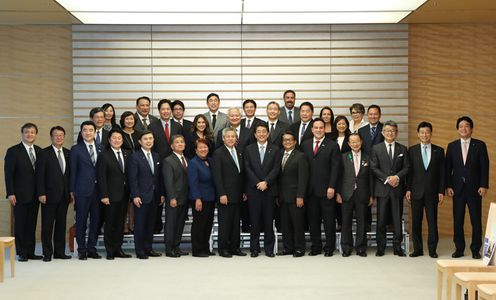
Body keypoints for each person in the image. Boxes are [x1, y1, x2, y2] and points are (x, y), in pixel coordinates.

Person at [446, 116, 489, 259]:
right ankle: (459, 249)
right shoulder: (452, 146)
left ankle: (476, 249)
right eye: (461, 126)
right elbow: (448, 169)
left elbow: (484, 167)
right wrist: (448, 186)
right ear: (457, 129)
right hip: (457, 189)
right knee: (457, 220)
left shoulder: (480, 145)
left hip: (475, 189)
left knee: (476, 220)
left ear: (471, 129)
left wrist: (484, 185)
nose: (463, 128)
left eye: (466, 126)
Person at [301, 118, 341, 256]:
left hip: (326, 190)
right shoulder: (305, 145)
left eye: (321, 128)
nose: (318, 130)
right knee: (313, 221)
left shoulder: (332, 145)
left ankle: (329, 247)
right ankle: (316, 247)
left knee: (329, 221)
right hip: (310, 191)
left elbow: (336, 168)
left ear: (325, 129)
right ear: (312, 129)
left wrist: (332, 187)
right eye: (316, 128)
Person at [370, 120, 409, 257]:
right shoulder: (376, 148)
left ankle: (398, 247)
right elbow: (373, 167)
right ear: (382, 132)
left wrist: (396, 177)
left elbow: (407, 167)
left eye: (393, 131)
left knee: (397, 219)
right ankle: (381, 247)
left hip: (397, 189)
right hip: (382, 189)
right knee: (381, 219)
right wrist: (388, 178)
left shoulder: (402, 149)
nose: (390, 133)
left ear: (396, 133)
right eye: (387, 131)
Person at [406, 122, 445, 258]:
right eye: (422, 132)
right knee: (416, 222)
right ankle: (418, 249)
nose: (424, 135)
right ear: (418, 134)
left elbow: (442, 173)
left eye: (427, 132)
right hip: (416, 192)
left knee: (432, 222)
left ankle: (432, 249)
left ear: (431, 133)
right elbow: (409, 173)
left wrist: (441, 191)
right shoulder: (411, 150)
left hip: (432, 192)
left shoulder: (439, 151)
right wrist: (408, 189)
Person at [4, 123, 42, 261]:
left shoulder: (39, 151)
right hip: (19, 195)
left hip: (35, 195)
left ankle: (30, 251)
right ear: (22, 133)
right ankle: (21, 252)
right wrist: (10, 193)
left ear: (36, 134)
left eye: (32, 132)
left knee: (31, 224)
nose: (29, 134)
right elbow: (8, 174)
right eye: (27, 132)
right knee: (20, 224)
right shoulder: (13, 151)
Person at [35, 126, 71, 261]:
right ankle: (47, 253)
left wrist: (71, 193)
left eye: (61, 135)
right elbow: (40, 176)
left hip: (64, 196)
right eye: (56, 135)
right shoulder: (44, 153)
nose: (59, 137)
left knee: (61, 225)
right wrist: (41, 193)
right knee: (47, 225)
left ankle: (59, 252)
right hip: (48, 196)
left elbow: (69, 175)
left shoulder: (68, 153)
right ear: (51, 137)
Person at [244, 123, 280, 258]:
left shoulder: (275, 149)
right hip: (254, 190)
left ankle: (269, 248)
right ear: (254, 134)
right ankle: (254, 248)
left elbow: (276, 168)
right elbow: (247, 168)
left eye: (264, 131)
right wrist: (257, 183)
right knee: (254, 220)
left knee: (268, 220)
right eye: (258, 132)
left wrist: (266, 182)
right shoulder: (248, 149)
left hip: (269, 190)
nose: (261, 134)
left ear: (268, 133)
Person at [127, 130, 165, 259]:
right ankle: (140, 250)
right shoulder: (135, 157)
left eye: (150, 138)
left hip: (154, 196)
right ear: (140, 142)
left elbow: (158, 178)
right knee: (140, 224)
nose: (148, 141)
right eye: (145, 139)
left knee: (150, 224)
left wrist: (161, 194)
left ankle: (149, 248)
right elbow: (133, 178)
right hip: (141, 196)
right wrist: (135, 195)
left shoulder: (156, 156)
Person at [148, 99, 183, 232]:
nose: (166, 111)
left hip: (176, 168)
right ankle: (156, 227)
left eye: (168, 109)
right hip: (158, 167)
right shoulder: (152, 126)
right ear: (159, 111)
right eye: (163, 109)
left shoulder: (178, 126)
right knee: (159, 198)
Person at [96, 129, 132, 260]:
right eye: (114, 138)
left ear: (122, 140)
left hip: (124, 195)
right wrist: (104, 195)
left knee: (120, 223)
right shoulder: (104, 155)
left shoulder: (127, 153)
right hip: (110, 196)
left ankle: (118, 249)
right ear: (109, 140)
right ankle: (110, 250)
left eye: (119, 138)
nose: (117, 140)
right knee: (110, 223)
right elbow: (101, 177)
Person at [336, 133, 373, 257]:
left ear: (361, 142)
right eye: (352, 142)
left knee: (362, 222)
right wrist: (338, 193)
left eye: (357, 141)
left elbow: (371, 178)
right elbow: (339, 177)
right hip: (346, 193)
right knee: (346, 222)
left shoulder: (367, 158)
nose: (355, 144)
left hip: (362, 194)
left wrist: (371, 195)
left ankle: (361, 248)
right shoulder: (343, 157)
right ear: (348, 144)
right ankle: (346, 248)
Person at [70, 121, 102, 260]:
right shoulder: (76, 149)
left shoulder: (102, 148)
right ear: (81, 132)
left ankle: (92, 248)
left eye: (91, 130)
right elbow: (73, 172)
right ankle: (81, 249)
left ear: (95, 132)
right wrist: (72, 190)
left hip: (99, 191)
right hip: (82, 191)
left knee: (96, 222)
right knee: (81, 221)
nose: (88, 132)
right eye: (85, 130)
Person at [212, 128, 247, 258]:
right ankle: (223, 248)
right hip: (225, 195)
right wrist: (221, 193)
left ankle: (235, 247)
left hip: (238, 195)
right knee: (225, 223)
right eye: (228, 136)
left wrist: (243, 191)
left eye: (233, 136)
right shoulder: (218, 153)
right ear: (223, 138)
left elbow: (241, 174)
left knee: (235, 223)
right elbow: (217, 176)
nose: (231, 138)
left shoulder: (239, 152)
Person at [277, 131, 308, 257]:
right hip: (283, 197)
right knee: (285, 224)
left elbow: (303, 178)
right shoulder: (279, 154)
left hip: (296, 197)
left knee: (298, 224)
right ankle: (288, 248)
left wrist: (300, 196)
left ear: (295, 142)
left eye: (290, 140)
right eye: (285, 140)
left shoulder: (301, 156)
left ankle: (299, 248)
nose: (287, 142)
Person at [188, 138, 216, 257]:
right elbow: (193, 183)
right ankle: (197, 250)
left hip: (210, 198)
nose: (203, 149)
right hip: (200, 199)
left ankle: (205, 248)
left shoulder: (210, 160)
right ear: (195, 150)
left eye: (205, 147)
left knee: (208, 224)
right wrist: (197, 199)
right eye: (200, 147)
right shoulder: (193, 163)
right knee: (199, 225)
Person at [163, 135, 189, 258]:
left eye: (182, 142)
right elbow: (168, 181)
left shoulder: (187, 159)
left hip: (185, 198)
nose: (180, 144)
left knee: (180, 224)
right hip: (174, 198)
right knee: (171, 224)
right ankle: (169, 249)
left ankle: (177, 247)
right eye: (177, 142)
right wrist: (172, 197)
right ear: (172, 146)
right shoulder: (168, 160)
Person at [119, 111, 140, 235]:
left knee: (134, 198)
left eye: (131, 119)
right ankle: (124, 226)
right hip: (124, 167)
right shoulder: (119, 134)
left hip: (138, 167)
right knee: (125, 199)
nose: (129, 121)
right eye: (127, 119)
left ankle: (132, 224)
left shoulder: (139, 134)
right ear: (123, 120)